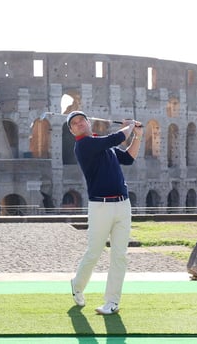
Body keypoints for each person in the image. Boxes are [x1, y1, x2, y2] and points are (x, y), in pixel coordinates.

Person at [67, 110, 143, 315]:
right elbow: (117, 137)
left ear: (88, 122)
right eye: (74, 123)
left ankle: (112, 302)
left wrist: (137, 135)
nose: (79, 123)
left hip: (122, 204)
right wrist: (128, 126)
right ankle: (77, 285)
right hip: (100, 206)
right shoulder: (83, 146)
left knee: (119, 256)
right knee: (94, 252)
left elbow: (128, 158)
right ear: (73, 131)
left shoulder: (101, 144)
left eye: (81, 119)